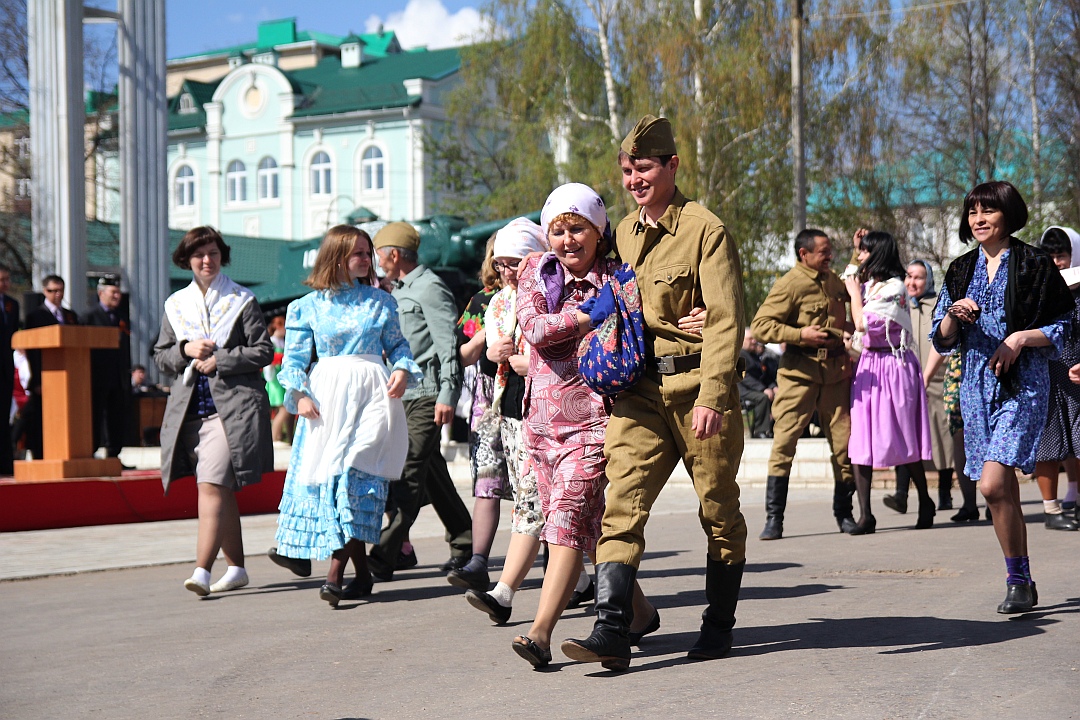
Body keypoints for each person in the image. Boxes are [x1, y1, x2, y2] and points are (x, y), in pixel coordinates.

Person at [562, 115, 746, 670]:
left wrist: (713, 396)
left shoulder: (706, 231)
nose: (634, 180)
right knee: (621, 506)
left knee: (718, 509)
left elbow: (725, 320)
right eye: (626, 171)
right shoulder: (621, 232)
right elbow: (599, 285)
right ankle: (611, 630)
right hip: (640, 391)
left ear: (672, 166)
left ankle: (718, 624)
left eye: (643, 168)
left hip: (695, 390)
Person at [506, 183, 655, 668]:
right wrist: (588, 316)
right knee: (587, 528)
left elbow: (648, 323)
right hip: (540, 424)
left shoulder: (618, 277)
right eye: (559, 230)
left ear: (599, 231)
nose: (568, 240)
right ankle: (641, 613)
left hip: (594, 422)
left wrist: (694, 319)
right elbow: (534, 330)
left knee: (567, 521)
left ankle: (540, 633)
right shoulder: (535, 270)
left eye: (578, 229)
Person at [931, 181, 1074, 614]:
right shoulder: (959, 269)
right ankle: (1021, 580)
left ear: (1008, 215)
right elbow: (941, 337)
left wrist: (1019, 339)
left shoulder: (1034, 263)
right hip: (976, 387)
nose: (979, 219)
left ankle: (1017, 579)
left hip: (1023, 384)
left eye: (988, 211)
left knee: (992, 483)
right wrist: (954, 316)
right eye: (973, 211)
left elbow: (1066, 323)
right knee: (1000, 490)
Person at [271, 225, 421, 606]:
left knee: (355, 477)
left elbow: (398, 347)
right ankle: (363, 575)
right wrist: (299, 396)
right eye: (359, 253)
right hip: (328, 399)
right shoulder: (306, 306)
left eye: (369, 253)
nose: (367, 259)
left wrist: (402, 369)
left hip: (373, 394)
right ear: (336, 257)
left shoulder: (380, 301)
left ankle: (334, 574)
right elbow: (293, 362)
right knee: (334, 484)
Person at [154, 226, 274, 597]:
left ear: (222, 256)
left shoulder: (241, 299)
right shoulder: (176, 305)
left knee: (209, 486)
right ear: (186, 260)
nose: (207, 260)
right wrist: (185, 349)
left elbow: (263, 350)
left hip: (232, 411)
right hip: (190, 410)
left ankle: (202, 570)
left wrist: (222, 359)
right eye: (199, 255)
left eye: (213, 253)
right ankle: (236, 568)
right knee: (221, 490)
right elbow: (161, 356)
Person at [367, 222, 473, 581]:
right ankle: (464, 542)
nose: (377, 262)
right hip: (402, 396)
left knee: (409, 470)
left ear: (394, 255)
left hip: (427, 395)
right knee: (432, 474)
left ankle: (384, 553)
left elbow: (448, 345)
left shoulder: (430, 287)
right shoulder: (398, 290)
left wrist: (447, 393)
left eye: (379, 255)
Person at [449, 219, 548, 594]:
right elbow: (462, 353)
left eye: (512, 262)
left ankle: (556, 573)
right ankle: (481, 562)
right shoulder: (490, 302)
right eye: (499, 262)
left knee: (537, 495)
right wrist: (487, 349)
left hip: (541, 404)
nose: (505, 270)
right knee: (495, 485)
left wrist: (529, 362)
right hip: (498, 403)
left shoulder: (552, 293)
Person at [750, 229, 857, 540]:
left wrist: (856, 252)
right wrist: (800, 335)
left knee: (844, 446)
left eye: (830, 251)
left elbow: (854, 289)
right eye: (823, 252)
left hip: (835, 373)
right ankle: (774, 519)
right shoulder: (789, 284)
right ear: (804, 254)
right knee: (784, 444)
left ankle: (845, 513)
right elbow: (761, 326)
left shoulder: (833, 280)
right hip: (798, 375)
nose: (829, 256)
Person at [844, 229, 935, 534]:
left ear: (878, 254)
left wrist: (854, 293)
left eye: (865, 251)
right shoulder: (871, 285)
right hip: (869, 366)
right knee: (860, 441)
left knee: (903, 437)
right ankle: (866, 516)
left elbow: (862, 323)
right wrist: (856, 251)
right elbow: (851, 280)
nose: (860, 256)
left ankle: (925, 501)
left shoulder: (895, 287)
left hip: (894, 367)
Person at [884, 259, 959, 515]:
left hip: (937, 381)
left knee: (942, 437)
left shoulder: (938, 305)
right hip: (905, 382)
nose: (912, 282)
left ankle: (945, 493)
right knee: (905, 435)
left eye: (918, 277)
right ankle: (901, 494)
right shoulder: (899, 305)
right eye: (909, 276)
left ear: (928, 280)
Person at [1032, 226, 1080, 530]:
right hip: (1045, 376)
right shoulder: (1038, 291)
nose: (1056, 262)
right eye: (1049, 256)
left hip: (1077, 378)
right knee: (1048, 441)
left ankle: (1077, 500)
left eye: (1061, 255)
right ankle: (1051, 510)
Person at [23, 274, 78, 460]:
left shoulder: (70, 316)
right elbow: (33, 352)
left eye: (60, 290)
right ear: (45, 291)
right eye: (52, 291)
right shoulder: (35, 316)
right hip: (45, 378)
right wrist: (37, 380)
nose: (57, 294)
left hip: (68, 378)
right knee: (40, 419)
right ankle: (39, 455)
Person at [81, 276, 131, 460]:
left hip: (118, 376)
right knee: (95, 416)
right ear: (101, 293)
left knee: (116, 416)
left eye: (118, 292)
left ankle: (114, 455)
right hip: (97, 376)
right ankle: (91, 451)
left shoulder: (121, 316)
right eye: (113, 292)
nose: (117, 296)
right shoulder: (89, 316)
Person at [738, 329, 777, 438]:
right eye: (750, 339)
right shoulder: (739, 355)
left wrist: (773, 387)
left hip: (755, 388)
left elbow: (763, 375)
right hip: (743, 390)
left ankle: (773, 428)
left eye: (754, 339)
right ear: (742, 340)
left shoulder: (754, 356)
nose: (754, 341)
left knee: (779, 396)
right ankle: (760, 431)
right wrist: (762, 389)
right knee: (763, 398)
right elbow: (744, 376)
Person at [0, 265, 18, 475]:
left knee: (4, 417)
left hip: (5, 369)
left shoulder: (12, 304)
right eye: (1, 280)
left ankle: (5, 462)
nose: (5, 284)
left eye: (7, 279)